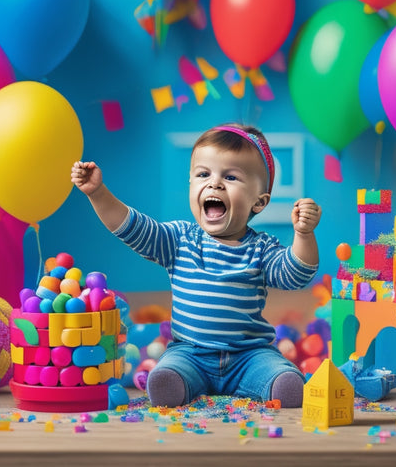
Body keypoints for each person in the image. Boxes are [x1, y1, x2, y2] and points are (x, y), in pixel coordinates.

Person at [71, 123, 322, 408]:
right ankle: (175, 383)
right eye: (203, 174)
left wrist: (303, 234)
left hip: (249, 355)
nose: (214, 183)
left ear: (259, 202)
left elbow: (297, 273)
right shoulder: (178, 240)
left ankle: (276, 384)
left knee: (285, 381)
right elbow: (131, 226)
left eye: (231, 177)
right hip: (190, 352)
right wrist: (98, 192)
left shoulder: (262, 249)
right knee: (169, 371)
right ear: (191, 185)